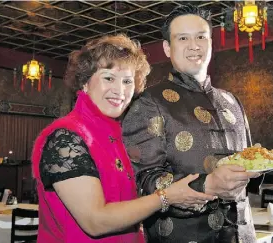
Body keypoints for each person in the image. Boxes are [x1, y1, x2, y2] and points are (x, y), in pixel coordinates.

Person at [31, 34, 215, 243]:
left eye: (127, 81)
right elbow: (95, 220)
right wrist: (166, 197)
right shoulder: (66, 137)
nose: (120, 90)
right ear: (84, 82)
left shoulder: (117, 135)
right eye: (108, 78)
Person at [122, 4, 261, 243]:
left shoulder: (232, 102)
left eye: (201, 37)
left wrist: (256, 164)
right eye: (183, 38)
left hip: (243, 235)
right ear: (167, 48)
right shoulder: (148, 103)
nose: (194, 45)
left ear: (211, 43)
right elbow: (142, 180)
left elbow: (248, 162)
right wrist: (207, 184)